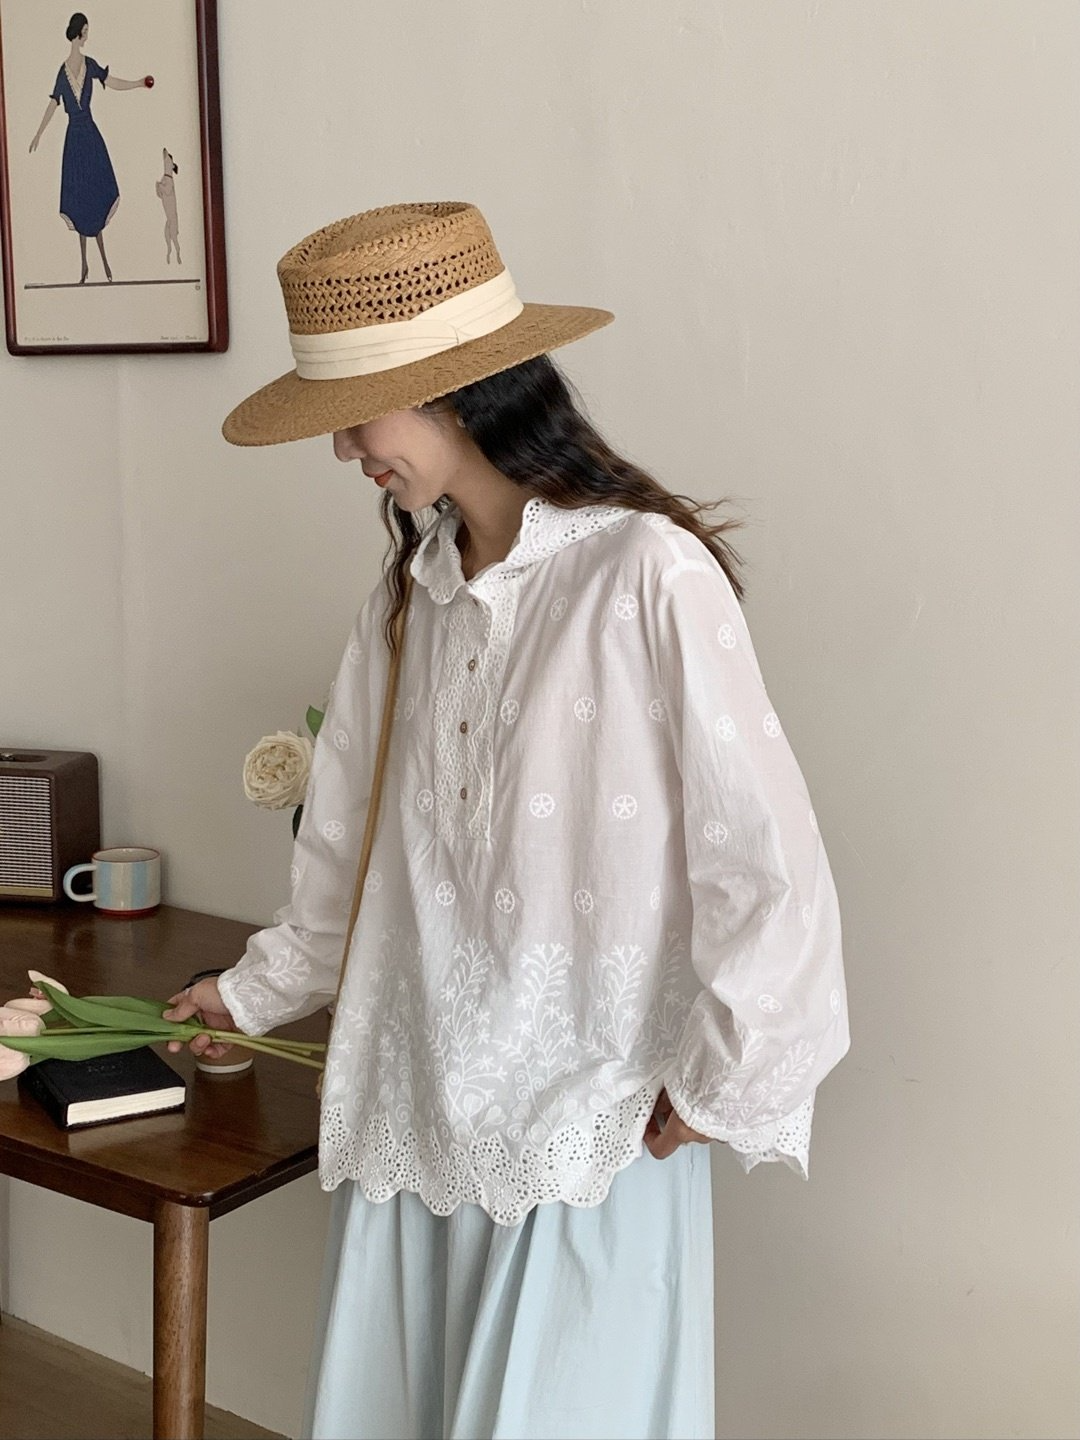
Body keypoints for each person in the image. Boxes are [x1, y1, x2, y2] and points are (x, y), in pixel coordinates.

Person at [164, 200, 851, 1440]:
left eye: (356, 415)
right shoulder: (409, 597)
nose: (344, 451)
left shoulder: (645, 572)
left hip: (584, 1120)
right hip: (417, 1102)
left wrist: (726, 1074)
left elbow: (766, 856)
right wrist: (252, 994)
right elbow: (345, 852)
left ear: (455, 393)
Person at [28, 12, 150, 283]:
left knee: (95, 194)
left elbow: (112, 81)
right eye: (86, 30)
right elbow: (53, 102)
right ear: (79, 32)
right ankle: (84, 265)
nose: (88, 35)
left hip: (90, 137)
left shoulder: (89, 64)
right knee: (79, 198)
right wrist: (38, 133)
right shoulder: (62, 72)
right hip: (74, 140)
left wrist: (138, 83)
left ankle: (104, 262)